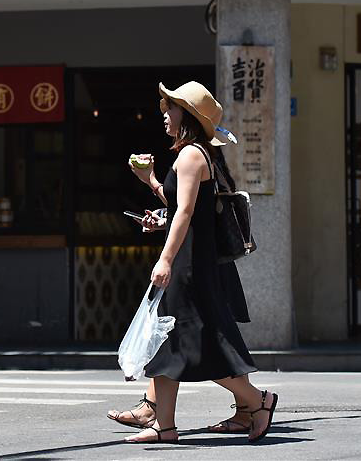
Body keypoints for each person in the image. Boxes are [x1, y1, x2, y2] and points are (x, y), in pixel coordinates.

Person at [108, 81, 277, 444]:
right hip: (193, 259)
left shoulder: (190, 156)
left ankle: (257, 400)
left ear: (187, 115)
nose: (164, 115)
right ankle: (163, 425)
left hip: (188, 264)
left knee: (195, 345)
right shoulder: (199, 154)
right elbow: (185, 210)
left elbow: (184, 212)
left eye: (170, 108)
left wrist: (165, 259)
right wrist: (152, 182)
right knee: (168, 340)